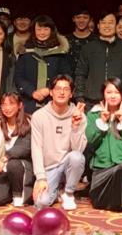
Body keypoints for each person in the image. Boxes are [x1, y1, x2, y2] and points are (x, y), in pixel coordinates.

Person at [85, 78, 122, 211]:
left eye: (117, 92)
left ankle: (119, 203)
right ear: (103, 94)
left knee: (120, 173)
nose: (112, 96)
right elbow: (91, 140)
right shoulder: (93, 114)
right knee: (98, 202)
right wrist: (102, 121)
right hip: (102, 165)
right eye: (109, 92)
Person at [30, 75, 87, 211]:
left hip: (68, 166)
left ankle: (68, 193)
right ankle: (56, 191)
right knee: (41, 203)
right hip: (49, 169)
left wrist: (75, 127)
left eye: (66, 89)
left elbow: (78, 151)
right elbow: (36, 148)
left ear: (71, 94)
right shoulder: (39, 116)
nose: (62, 92)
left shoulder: (79, 115)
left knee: (77, 157)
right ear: (51, 92)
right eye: (58, 89)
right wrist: (40, 178)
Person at [74, 12, 122, 106]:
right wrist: (80, 98)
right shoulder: (88, 48)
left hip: (119, 101)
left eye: (111, 22)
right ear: (98, 26)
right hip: (91, 101)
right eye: (103, 22)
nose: (107, 26)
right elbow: (80, 74)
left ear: (116, 26)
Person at [0, 92, 34, 207]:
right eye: (4, 104)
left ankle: (18, 195)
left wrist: (4, 159)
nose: (7, 108)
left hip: (22, 168)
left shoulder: (29, 121)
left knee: (13, 164)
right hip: (4, 170)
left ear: (20, 105)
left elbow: (25, 147)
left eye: (11, 104)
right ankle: (11, 192)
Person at [14, 16, 72, 113]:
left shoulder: (59, 52)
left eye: (46, 29)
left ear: (51, 30)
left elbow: (66, 76)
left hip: (54, 101)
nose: (42, 32)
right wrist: (32, 92)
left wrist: (49, 89)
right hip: (28, 102)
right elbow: (18, 76)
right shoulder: (25, 50)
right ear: (34, 30)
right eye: (39, 29)